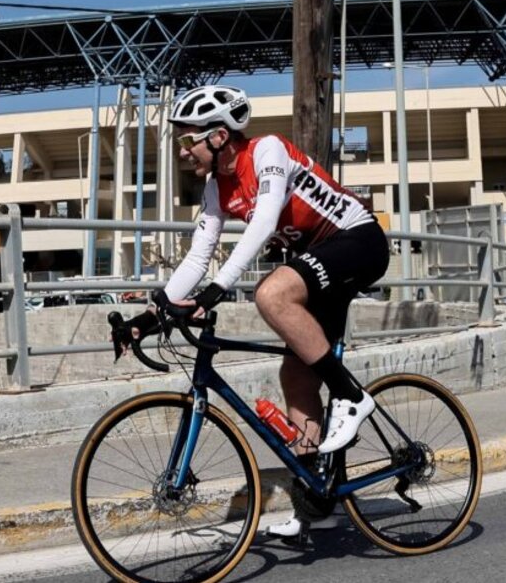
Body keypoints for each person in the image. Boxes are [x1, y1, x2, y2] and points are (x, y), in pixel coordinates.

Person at [118, 84, 390, 537]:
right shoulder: (216, 188)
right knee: (296, 376)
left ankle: (352, 396)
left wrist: (217, 291)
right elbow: (197, 257)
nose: (183, 151)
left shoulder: (267, 151)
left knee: (271, 294)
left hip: (357, 241)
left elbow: (264, 222)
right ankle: (316, 502)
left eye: (188, 140)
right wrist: (148, 317)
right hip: (317, 260)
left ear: (219, 136)